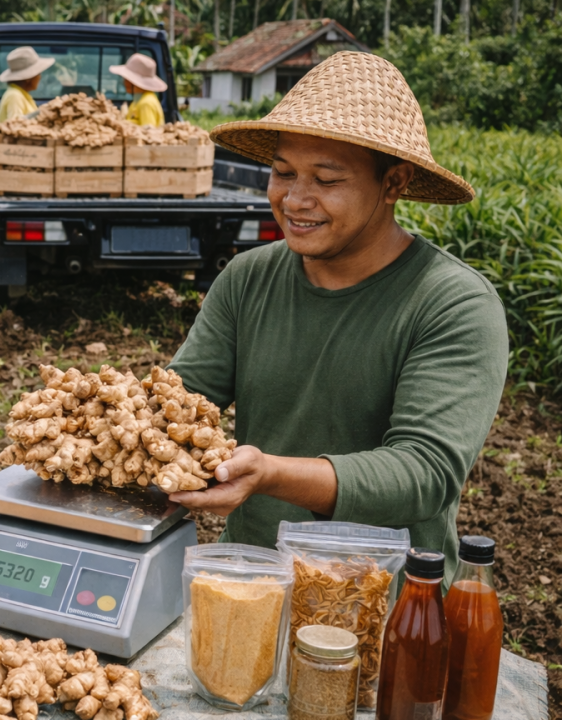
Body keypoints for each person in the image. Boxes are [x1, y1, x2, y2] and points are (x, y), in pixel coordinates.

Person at [165, 52, 508, 582]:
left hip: (383, 598)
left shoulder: (452, 303)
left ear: (393, 183)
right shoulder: (248, 278)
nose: (295, 199)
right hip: (252, 579)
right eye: (283, 173)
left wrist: (269, 474)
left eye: (326, 180)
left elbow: (423, 473)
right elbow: (180, 405)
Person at [0, 47, 55, 124]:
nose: (39, 77)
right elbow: (15, 129)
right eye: (38, 74)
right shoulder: (15, 96)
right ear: (29, 78)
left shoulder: (21, 95)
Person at [110, 53, 166, 126]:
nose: (124, 82)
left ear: (133, 82)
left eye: (127, 79)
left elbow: (149, 134)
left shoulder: (146, 103)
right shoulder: (138, 101)